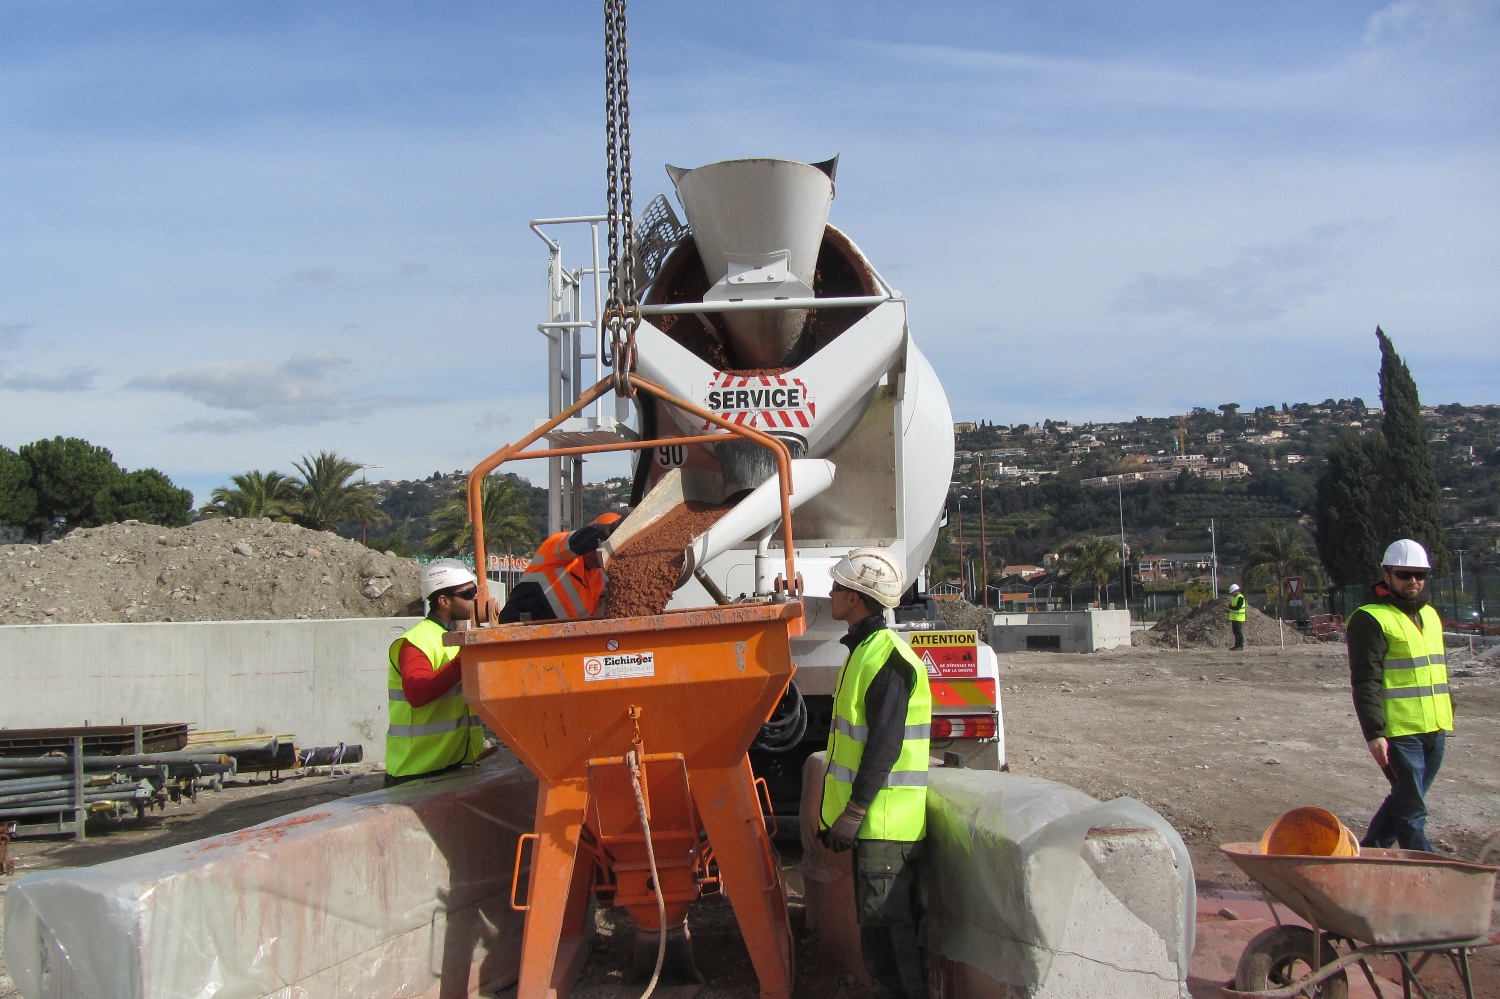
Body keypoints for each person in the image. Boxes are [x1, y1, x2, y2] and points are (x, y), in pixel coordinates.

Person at [819, 547, 932, 999]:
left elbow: (883, 748)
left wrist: (855, 811)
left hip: (886, 825)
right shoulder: (864, 651)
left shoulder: (886, 659)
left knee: (891, 936)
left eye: (838, 587)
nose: (830, 592)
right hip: (876, 826)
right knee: (877, 931)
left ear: (856, 598)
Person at [1346, 538, 1452, 852]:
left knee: (1405, 800)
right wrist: (1374, 733)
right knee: (1412, 811)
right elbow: (1365, 681)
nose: (1414, 581)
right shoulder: (1370, 618)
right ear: (1387, 574)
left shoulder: (1430, 616)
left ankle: (1370, 852)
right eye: (1405, 574)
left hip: (1435, 729)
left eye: (1420, 575)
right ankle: (1428, 875)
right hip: (1399, 733)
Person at [384, 558, 487, 788]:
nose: (475, 599)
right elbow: (418, 693)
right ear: (444, 601)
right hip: (416, 772)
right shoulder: (416, 642)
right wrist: (465, 659)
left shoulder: (452, 638)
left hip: (453, 763)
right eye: (468, 593)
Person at [498, 512, 622, 623]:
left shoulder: (598, 580)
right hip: (522, 622)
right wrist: (607, 531)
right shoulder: (558, 548)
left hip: (559, 637)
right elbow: (577, 540)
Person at [1227, 583, 1247, 650]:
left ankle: (1240, 646)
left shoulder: (1240, 597)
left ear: (1235, 591)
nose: (1231, 594)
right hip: (1235, 618)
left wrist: (1230, 607)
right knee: (1235, 632)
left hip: (1238, 617)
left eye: (1232, 592)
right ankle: (1236, 645)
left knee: (1238, 631)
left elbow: (1238, 607)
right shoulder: (1235, 598)